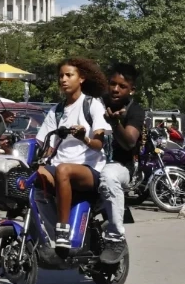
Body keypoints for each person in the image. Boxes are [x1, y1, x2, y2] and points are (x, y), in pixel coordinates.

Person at [34, 58, 112, 249]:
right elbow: (46, 145)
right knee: (34, 177)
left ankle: (63, 230)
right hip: (60, 168)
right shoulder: (56, 111)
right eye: (61, 76)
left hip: (90, 170)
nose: (63, 79)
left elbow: (98, 144)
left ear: (81, 78)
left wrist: (84, 138)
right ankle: (48, 231)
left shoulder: (92, 105)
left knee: (63, 170)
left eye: (69, 75)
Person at [95, 63, 144, 264]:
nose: (115, 89)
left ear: (132, 89)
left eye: (122, 86)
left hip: (121, 166)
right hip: (92, 163)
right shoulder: (96, 104)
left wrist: (115, 124)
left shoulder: (135, 111)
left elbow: (129, 142)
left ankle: (116, 239)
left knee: (108, 176)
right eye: (112, 84)